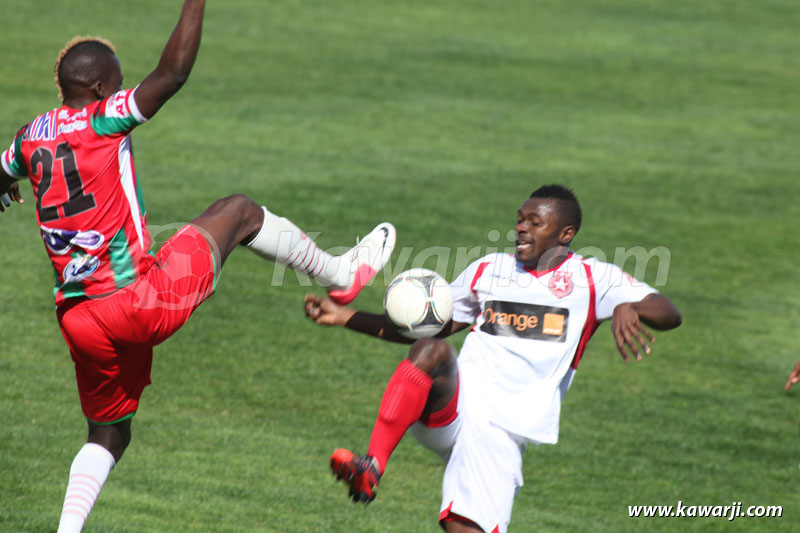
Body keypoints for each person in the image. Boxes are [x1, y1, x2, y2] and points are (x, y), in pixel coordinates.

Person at [0, 1, 397, 531]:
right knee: (237, 212)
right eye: (117, 84)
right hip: (134, 302)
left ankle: (67, 529)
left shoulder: (29, 137)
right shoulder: (104, 118)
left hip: (78, 318)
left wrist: (7, 189)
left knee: (110, 433)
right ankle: (342, 276)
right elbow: (174, 73)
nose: (123, 91)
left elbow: (3, 172)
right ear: (99, 90)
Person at [304, 184, 682, 533]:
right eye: (520, 219)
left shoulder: (593, 278)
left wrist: (630, 307)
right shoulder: (490, 269)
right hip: (454, 405)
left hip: (504, 430)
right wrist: (345, 317)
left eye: (536, 222)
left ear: (565, 234)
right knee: (431, 349)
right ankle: (372, 466)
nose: (521, 228)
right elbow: (425, 326)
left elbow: (668, 311)